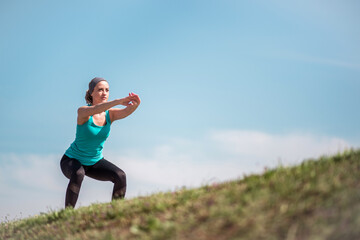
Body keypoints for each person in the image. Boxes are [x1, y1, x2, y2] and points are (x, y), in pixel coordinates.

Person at [60, 77, 141, 208]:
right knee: (78, 173)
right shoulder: (83, 112)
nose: (104, 93)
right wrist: (118, 101)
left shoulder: (110, 114)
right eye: (100, 90)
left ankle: (115, 212)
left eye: (107, 90)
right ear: (91, 92)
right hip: (72, 160)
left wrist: (136, 104)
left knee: (120, 176)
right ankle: (67, 215)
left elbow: (126, 111)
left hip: (94, 162)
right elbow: (97, 109)